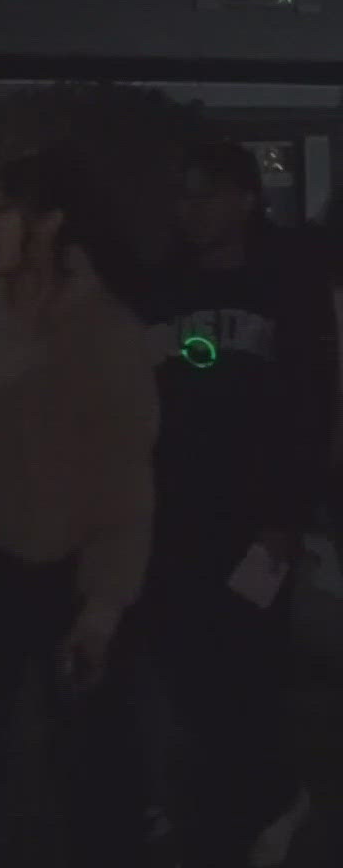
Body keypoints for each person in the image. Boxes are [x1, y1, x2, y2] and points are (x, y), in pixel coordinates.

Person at [0, 148, 156, 867]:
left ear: (51, 222)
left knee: (89, 764)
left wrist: (101, 609)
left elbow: (125, 480)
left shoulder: (104, 331)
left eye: (1, 209)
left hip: (66, 573)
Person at [137, 142, 326, 868]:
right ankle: (227, 797)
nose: (194, 210)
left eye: (209, 194)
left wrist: (287, 516)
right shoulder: (166, 286)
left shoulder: (287, 284)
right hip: (177, 508)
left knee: (249, 663)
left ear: (247, 199)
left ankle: (270, 800)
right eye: (185, 196)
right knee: (187, 660)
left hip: (256, 515)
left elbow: (310, 404)